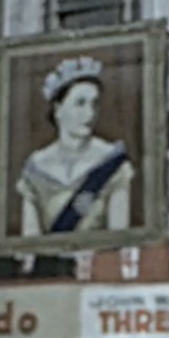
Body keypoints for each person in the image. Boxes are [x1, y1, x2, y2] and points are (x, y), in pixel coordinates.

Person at [16, 55, 134, 236]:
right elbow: (30, 241)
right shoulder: (36, 168)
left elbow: (118, 237)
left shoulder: (113, 162)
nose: (89, 113)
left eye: (94, 104)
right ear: (58, 110)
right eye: (80, 104)